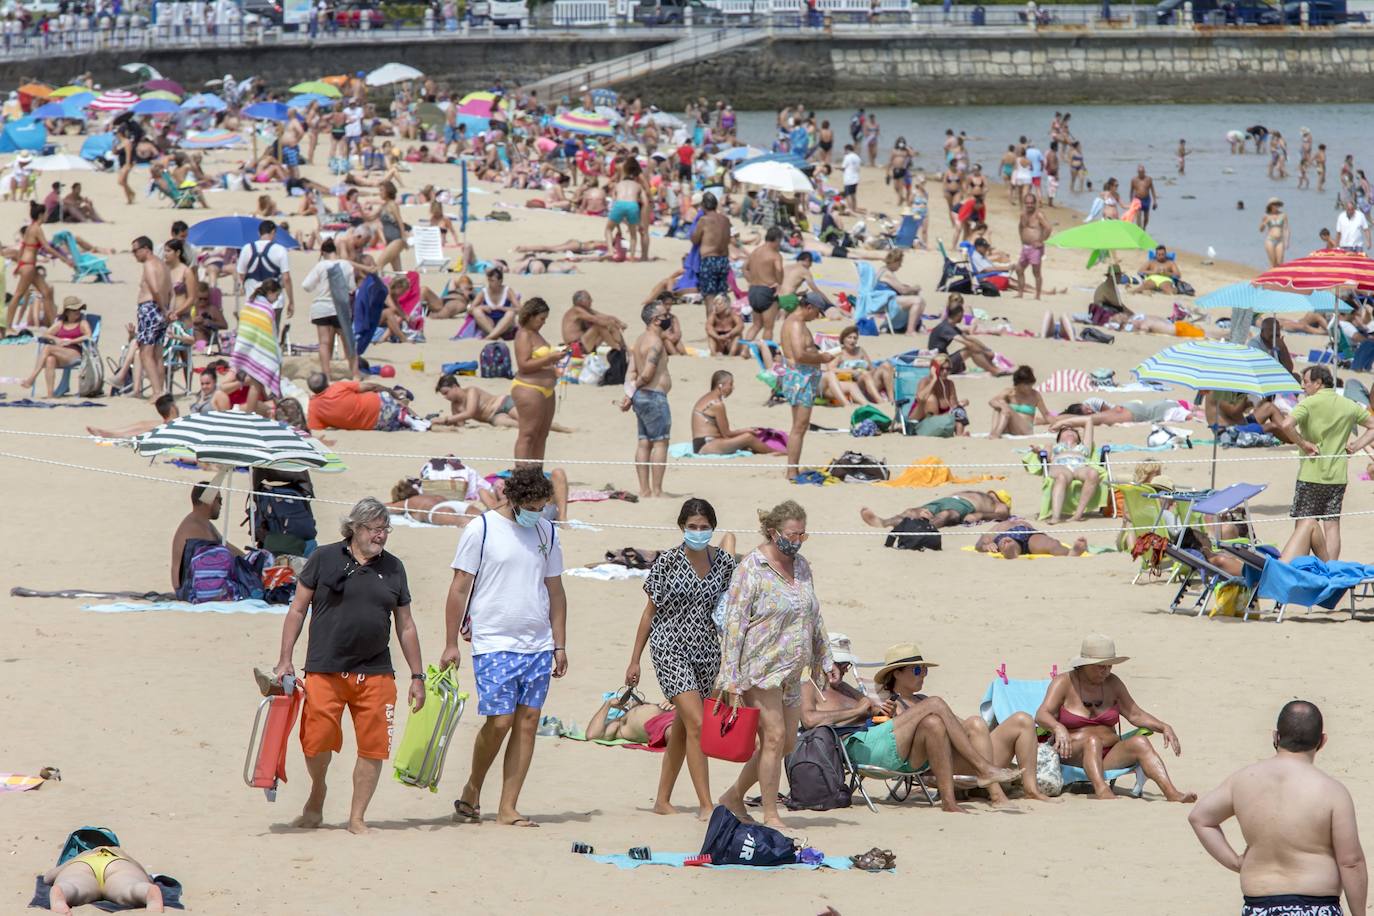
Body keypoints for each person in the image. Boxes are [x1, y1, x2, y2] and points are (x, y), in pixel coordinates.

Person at [271, 498, 427, 834]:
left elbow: (406, 625)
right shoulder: (324, 558)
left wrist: (418, 675)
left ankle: (357, 817)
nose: (381, 536)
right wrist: (285, 659)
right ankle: (318, 790)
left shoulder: (394, 568)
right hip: (325, 668)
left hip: (376, 672)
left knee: (373, 746)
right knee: (316, 742)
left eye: (385, 529)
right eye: (374, 529)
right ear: (354, 527)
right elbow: (297, 610)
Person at [441, 466, 568, 828]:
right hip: (493, 639)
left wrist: (559, 644)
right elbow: (459, 587)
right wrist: (451, 642)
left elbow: (555, 590)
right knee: (500, 721)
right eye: (532, 505)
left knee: (527, 723)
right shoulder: (481, 529)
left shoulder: (546, 530)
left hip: (537, 641)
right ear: (514, 499)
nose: (538, 512)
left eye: (543, 505)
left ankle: (508, 807)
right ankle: (473, 787)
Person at [716, 500, 838, 830]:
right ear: (774, 532)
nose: (797, 541)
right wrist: (729, 676)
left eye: (802, 535)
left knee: (786, 743)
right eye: (792, 534)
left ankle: (733, 796)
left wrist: (825, 658)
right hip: (759, 667)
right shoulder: (752, 568)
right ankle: (771, 814)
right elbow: (734, 622)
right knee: (773, 737)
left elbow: (813, 615)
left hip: (792, 669)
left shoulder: (802, 568)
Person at [1189, 701, 1366, 916]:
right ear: (1322, 741)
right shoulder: (1332, 791)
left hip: (1259, 906)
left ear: (1275, 737)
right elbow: (1351, 862)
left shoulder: (1243, 780)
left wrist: (1235, 861)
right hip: (1316, 906)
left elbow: (1200, 818)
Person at [625, 498, 738, 819]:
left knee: (685, 726)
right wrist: (634, 660)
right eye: (692, 527)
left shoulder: (725, 564)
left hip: (706, 651)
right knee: (699, 725)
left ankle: (662, 801)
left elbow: (733, 611)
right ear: (682, 527)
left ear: (712, 529)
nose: (698, 532)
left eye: (704, 528)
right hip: (669, 648)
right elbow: (649, 614)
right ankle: (706, 804)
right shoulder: (667, 563)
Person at [838, 643, 1036, 808]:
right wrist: (888, 717)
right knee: (955, 714)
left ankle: (1029, 789)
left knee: (1011, 720)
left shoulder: (923, 700)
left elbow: (961, 727)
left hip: (962, 758)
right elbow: (895, 742)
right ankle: (994, 791)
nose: (923, 675)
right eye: (917, 670)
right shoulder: (891, 706)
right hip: (936, 765)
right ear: (896, 673)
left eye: (924, 670)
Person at [1034, 635, 1194, 802]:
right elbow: (1042, 714)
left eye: (1110, 666)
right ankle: (1102, 790)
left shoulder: (1112, 683)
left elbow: (1135, 714)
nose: (1107, 671)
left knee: (1141, 742)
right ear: (1085, 664)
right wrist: (1058, 728)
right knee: (1092, 740)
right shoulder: (1064, 682)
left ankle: (1172, 793)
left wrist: (1163, 727)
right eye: (1100, 667)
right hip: (1072, 754)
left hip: (1108, 754)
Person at [1276, 365, 1374, 562]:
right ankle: (1331, 568)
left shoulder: (1309, 403)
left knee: (1303, 526)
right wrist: (1355, 446)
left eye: (1306, 382)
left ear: (1318, 383)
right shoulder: (1347, 404)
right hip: (1337, 475)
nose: (1303, 386)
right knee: (1332, 525)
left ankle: (1302, 568)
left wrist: (1303, 443)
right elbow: (1372, 426)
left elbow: (1285, 425)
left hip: (1311, 474)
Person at [621, 301, 673, 497]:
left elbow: (631, 371)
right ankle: (657, 490)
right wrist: (633, 390)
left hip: (641, 397)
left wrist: (629, 394)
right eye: (664, 314)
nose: (668, 316)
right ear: (655, 320)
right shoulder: (655, 342)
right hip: (653, 396)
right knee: (660, 442)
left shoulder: (639, 340)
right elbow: (647, 373)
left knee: (644, 442)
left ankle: (644, 489)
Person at [779, 295, 835, 481]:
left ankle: (793, 468)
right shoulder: (795, 323)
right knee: (799, 426)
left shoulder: (797, 322)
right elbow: (800, 355)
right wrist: (822, 358)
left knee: (799, 426)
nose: (818, 316)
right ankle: (791, 471)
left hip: (803, 377)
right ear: (809, 307)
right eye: (818, 312)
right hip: (800, 378)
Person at [510, 298, 565, 466]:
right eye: (541, 319)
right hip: (529, 388)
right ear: (531, 316)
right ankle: (521, 474)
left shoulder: (537, 335)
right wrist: (550, 357)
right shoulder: (524, 334)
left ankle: (536, 473)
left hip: (547, 390)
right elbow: (524, 365)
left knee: (542, 434)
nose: (543, 323)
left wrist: (554, 366)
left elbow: (541, 362)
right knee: (528, 433)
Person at [301, 239, 365, 380]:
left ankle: (327, 375)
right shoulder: (346, 265)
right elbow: (352, 288)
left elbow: (306, 286)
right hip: (340, 308)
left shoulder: (320, 265)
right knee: (348, 342)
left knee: (324, 343)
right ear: (335, 251)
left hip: (321, 307)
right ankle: (355, 374)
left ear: (323, 252)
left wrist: (320, 285)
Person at [41, 845, 165, 913]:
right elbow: (140, 869)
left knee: (75, 885)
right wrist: (147, 880)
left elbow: (48, 877)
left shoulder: (85, 853)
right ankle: (145, 891)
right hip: (116, 862)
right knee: (129, 886)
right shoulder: (116, 850)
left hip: (83, 863)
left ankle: (63, 890)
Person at [170, 482, 241, 592]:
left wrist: (250, 558)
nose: (221, 505)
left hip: (194, 583)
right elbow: (223, 553)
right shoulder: (194, 527)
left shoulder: (202, 522)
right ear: (210, 500)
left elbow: (226, 545)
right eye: (219, 500)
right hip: (187, 589)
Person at [19, 295, 92, 397]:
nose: (78, 311)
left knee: (48, 348)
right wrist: (57, 339)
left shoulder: (82, 323)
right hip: (60, 353)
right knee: (50, 359)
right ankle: (50, 395)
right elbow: (46, 334)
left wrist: (71, 341)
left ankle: (32, 378)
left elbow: (88, 336)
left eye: (79, 309)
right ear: (67, 312)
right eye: (75, 309)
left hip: (75, 353)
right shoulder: (60, 324)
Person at [689, 370, 776, 455]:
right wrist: (746, 430)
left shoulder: (708, 397)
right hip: (706, 445)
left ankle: (769, 450)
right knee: (748, 437)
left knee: (745, 439)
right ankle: (775, 452)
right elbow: (726, 434)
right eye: (730, 384)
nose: (732, 387)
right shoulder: (717, 404)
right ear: (720, 386)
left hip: (703, 442)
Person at [305, 373, 427, 432]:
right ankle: (404, 400)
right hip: (383, 404)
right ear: (327, 382)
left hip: (377, 425)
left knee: (400, 419)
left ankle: (405, 410)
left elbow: (316, 429)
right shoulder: (338, 386)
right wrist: (390, 391)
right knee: (397, 400)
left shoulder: (313, 407)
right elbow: (371, 386)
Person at [132, 235, 172, 399]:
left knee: (145, 352)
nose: (134, 254)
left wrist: (162, 309)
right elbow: (170, 291)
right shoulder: (163, 265)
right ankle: (160, 390)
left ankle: (156, 392)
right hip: (160, 309)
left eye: (135, 251)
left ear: (146, 249)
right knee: (157, 353)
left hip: (151, 308)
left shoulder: (149, 265)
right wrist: (167, 310)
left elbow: (155, 290)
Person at [861, 489, 1013, 532]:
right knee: (912, 511)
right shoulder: (985, 494)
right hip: (947, 500)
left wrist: (979, 515)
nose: (992, 492)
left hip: (965, 505)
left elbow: (1002, 515)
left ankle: (922, 528)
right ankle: (883, 522)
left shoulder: (998, 503)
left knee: (947, 515)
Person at [927, 296, 1005, 375]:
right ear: (958, 314)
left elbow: (969, 338)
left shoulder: (951, 325)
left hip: (943, 360)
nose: (963, 316)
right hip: (939, 365)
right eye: (962, 313)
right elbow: (966, 342)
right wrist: (982, 351)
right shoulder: (946, 328)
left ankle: (995, 369)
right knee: (970, 350)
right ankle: (994, 371)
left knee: (972, 348)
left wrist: (987, 350)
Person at [235, 219, 294, 318]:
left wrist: (244, 286)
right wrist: (291, 301)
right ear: (273, 232)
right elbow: (286, 278)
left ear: (259, 233)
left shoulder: (246, 248)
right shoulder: (280, 250)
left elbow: (241, 273)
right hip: (274, 302)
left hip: (253, 300)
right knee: (273, 332)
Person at [1045, 422, 1100, 525]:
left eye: (1074, 431)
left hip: (1079, 467)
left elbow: (1088, 420)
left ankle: (1078, 514)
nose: (1070, 431)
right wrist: (1039, 451)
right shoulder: (1053, 445)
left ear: (1079, 438)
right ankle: (1056, 517)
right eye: (1065, 430)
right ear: (1058, 437)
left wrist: (1060, 423)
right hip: (1060, 466)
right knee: (1062, 477)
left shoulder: (1084, 446)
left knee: (1093, 473)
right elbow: (1046, 456)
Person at [386, 477, 489, 526]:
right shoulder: (427, 496)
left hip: (437, 510)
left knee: (467, 524)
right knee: (486, 520)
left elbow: (386, 507)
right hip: (456, 504)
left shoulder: (408, 502)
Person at [743, 227, 784, 342]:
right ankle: (766, 351)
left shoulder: (755, 252)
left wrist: (751, 281)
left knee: (756, 325)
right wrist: (779, 284)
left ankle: (745, 350)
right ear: (776, 240)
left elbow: (745, 268)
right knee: (768, 327)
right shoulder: (775, 255)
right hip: (766, 291)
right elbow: (779, 269)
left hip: (753, 291)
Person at [989, 365, 1052, 438]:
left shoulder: (1035, 395)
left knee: (1005, 406)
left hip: (1025, 430)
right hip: (1010, 428)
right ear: (1018, 384)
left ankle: (995, 434)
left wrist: (1057, 424)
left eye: (1031, 383)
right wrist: (1002, 406)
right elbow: (992, 401)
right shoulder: (1009, 392)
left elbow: (1046, 414)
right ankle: (994, 432)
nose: (1030, 387)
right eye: (1026, 384)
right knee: (999, 404)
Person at [974, 518, 1088, 558]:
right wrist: (985, 546)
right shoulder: (998, 526)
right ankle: (1011, 551)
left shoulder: (1021, 521)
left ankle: (1071, 552)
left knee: (1051, 543)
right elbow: (979, 544)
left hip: (1029, 534)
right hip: (1007, 535)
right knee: (1007, 542)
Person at [690, 192, 731, 300]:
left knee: (710, 298)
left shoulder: (703, 220)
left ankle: (710, 318)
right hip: (724, 260)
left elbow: (695, 240)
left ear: (703, 206)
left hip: (709, 260)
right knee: (722, 299)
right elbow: (728, 239)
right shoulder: (726, 220)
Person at [561, 289, 626, 353]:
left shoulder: (587, 311)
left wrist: (620, 323)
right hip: (575, 347)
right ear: (580, 301)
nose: (591, 301)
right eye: (589, 298)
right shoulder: (576, 310)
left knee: (610, 327)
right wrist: (615, 324)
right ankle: (617, 349)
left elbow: (607, 317)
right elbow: (596, 320)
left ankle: (622, 348)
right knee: (599, 326)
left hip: (585, 345)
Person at [1014, 193, 1052, 300]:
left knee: (1036, 272)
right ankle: (1020, 293)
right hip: (1025, 247)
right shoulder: (1023, 214)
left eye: (1031, 203)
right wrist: (1022, 239)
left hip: (1035, 249)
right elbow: (1021, 226)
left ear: (1035, 203)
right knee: (1019, 269)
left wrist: (1041, 241)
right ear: (1024, 203)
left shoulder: (1039, 215)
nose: (1029, 205)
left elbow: (1048, 228)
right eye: (1027, 203)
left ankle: (1037, 295)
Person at [1129, 164, 1157, 230]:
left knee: (1146, 218)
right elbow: (1131, 191)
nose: (1141, 173)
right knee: (1138, 216)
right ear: (1137, 172)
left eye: (1142, 172)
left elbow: (1152, 190)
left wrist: (1155, 201)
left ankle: (1144, 228)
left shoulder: (1149, 179)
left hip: (1146, 199)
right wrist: (1131, 202)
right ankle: (1139, 230)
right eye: (1139, 172)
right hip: (1137, 199)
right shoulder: (1134, 180)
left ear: (1144, 171)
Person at [841, 143, 862, 211]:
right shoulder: (857, 157)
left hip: (848, 178)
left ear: (847, 150)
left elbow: (843, 167)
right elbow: (858, 168)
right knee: (853, 194)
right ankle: (854, 207)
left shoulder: (847, 157)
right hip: (855, 178)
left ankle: (850, 208)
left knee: (848, 195)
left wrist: (836, 168)